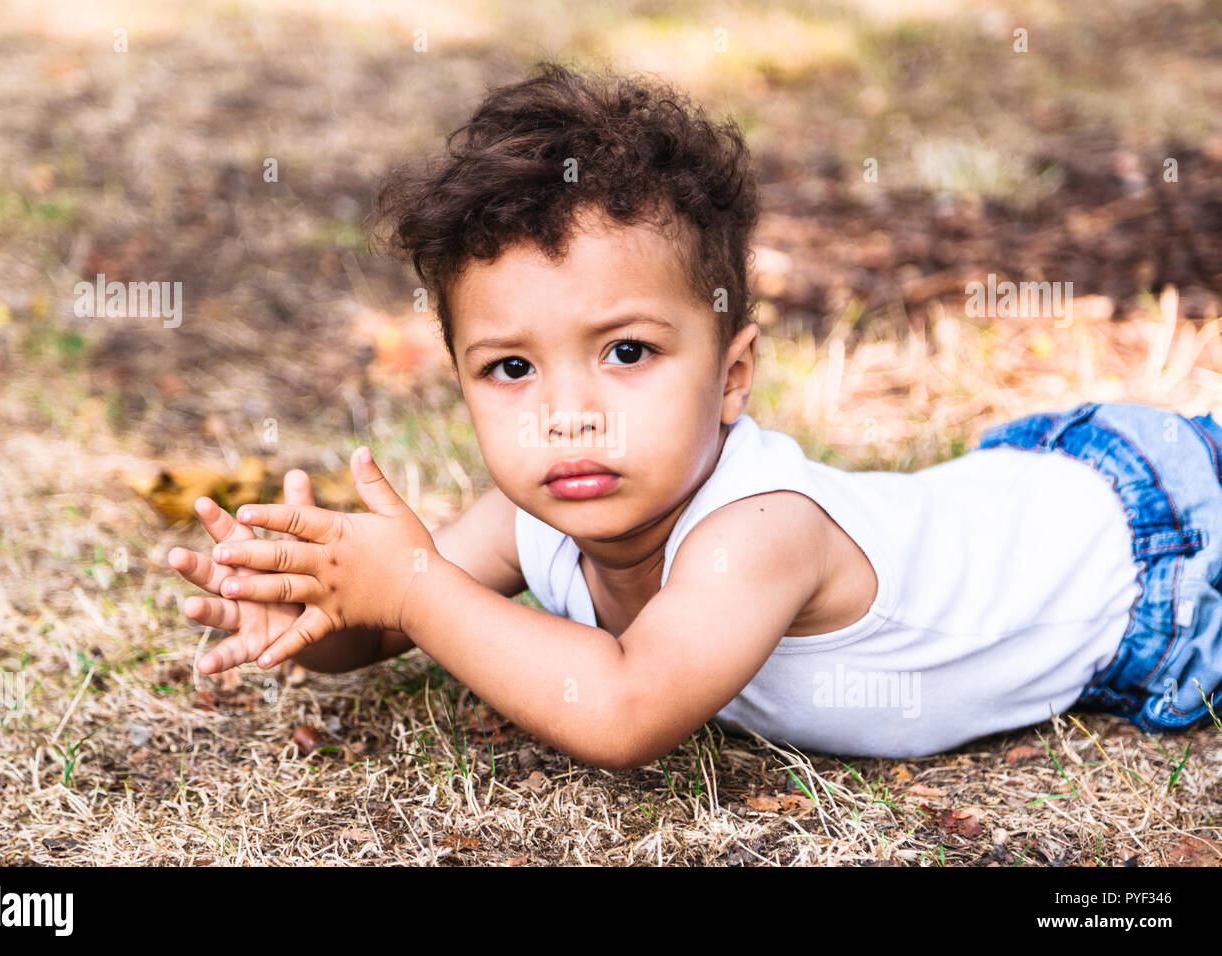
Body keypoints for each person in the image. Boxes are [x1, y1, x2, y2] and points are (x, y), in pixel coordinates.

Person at [167, 63, 1222, 764]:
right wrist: (308, 614)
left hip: (1157, 549)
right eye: (509, 369)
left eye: (626, 352)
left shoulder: (760, 533)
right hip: (1026, 493)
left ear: (730, 374)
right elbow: (400, 616)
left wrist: (409, 581)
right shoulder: (526, 514)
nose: (567, 414)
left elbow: (624, 709)